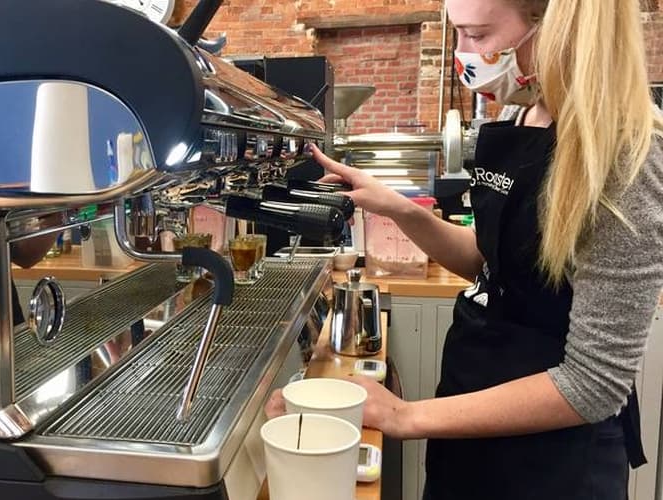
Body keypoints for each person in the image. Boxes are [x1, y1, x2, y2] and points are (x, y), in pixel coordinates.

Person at [266, 0, 663, 498]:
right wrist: (399, 208)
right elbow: (489, 262)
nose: (462, 53)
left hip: (553, 466)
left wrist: (405, 415)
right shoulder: (523, 113)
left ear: (559, 29)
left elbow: (593, 384)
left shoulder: (627, 162)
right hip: (471, 423)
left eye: (477, 35)